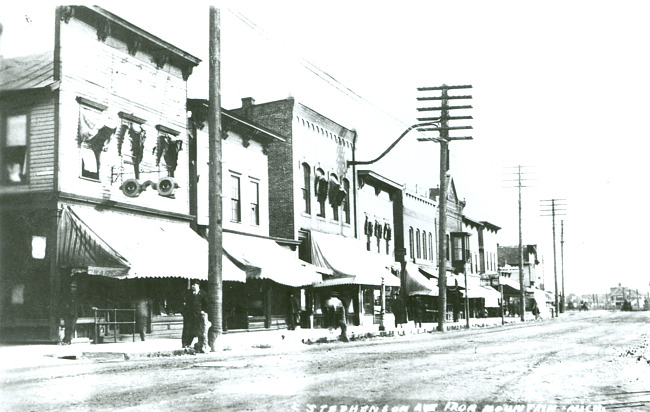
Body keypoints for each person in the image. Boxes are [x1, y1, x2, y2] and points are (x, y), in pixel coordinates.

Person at [182, 280, 209, 352]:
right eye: (192, 286)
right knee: (187, 329)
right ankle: (185, 343)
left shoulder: (203, 294)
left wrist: (203, 311)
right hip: (189, 315)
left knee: (194, 330)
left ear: (198, 286)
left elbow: (206, 304)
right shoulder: (189, 293)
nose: (193, 287)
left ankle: (194, 344)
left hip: (197, 315)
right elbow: (186, 303)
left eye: (194, 286)